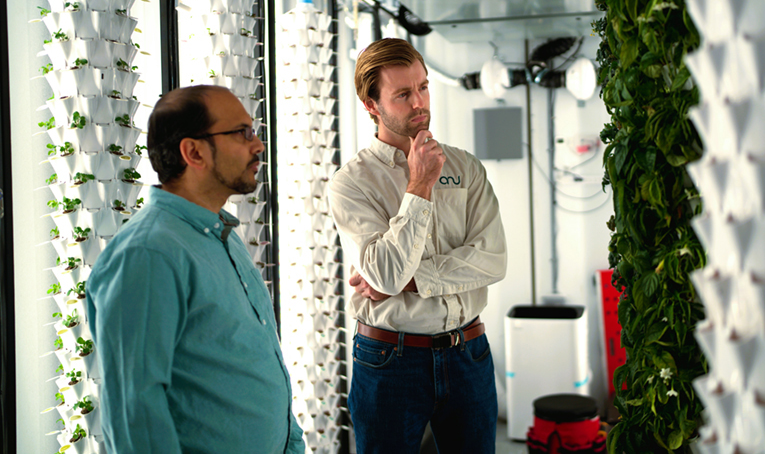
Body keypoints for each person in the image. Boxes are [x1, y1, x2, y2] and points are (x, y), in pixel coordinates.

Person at [86, 85, 305, 454]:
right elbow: (134, 412)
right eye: (242, 133)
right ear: (193, 152)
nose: (258, 146)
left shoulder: (220, 232)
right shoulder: (148, 254)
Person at [328, 38, 508, 453]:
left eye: (423, 87)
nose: (420, 102)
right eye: (404, 94)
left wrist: (411, 282)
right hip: (389, 359)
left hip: (469, 352)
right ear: (371, 104)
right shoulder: (351, 183)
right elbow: (386, 272)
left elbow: (492, 260)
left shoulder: (464, 167)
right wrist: (420, 183)